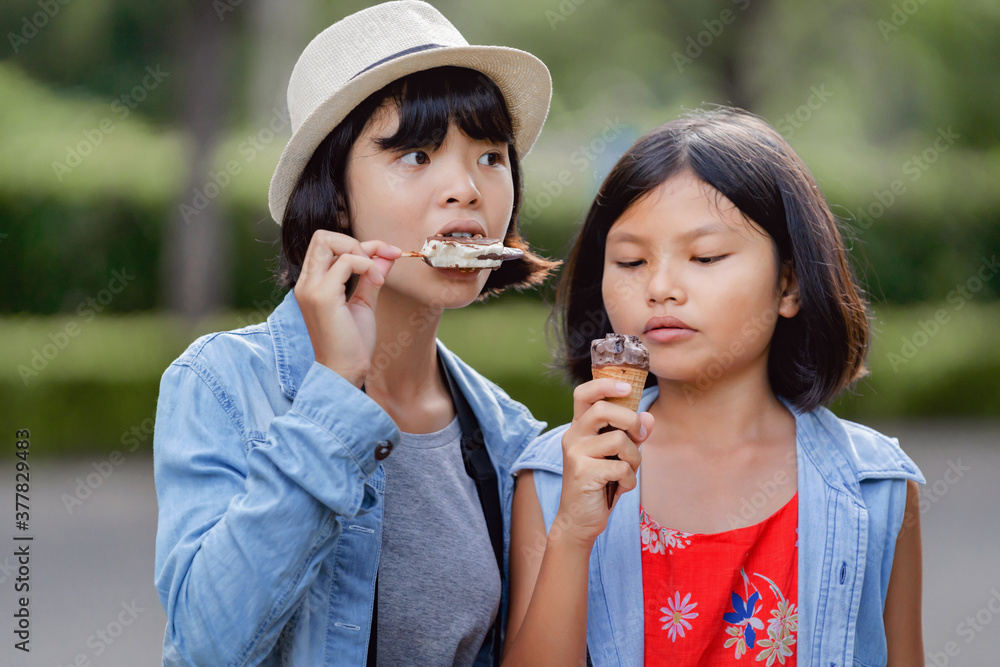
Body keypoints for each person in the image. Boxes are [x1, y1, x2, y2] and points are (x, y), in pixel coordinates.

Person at [153, 2, 558, 664]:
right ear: (336, 194)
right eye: (418, 154)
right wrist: (335, 393)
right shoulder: (222, 385)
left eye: (490, 155)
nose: (466, 188)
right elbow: (204, 646)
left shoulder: (510, 438)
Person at [502, 108, 925, 666]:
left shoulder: (880, 489)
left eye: (705, 257)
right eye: (630, 260)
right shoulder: (556, 479)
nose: (660, 287)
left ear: (789, 284)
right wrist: (573, 535)